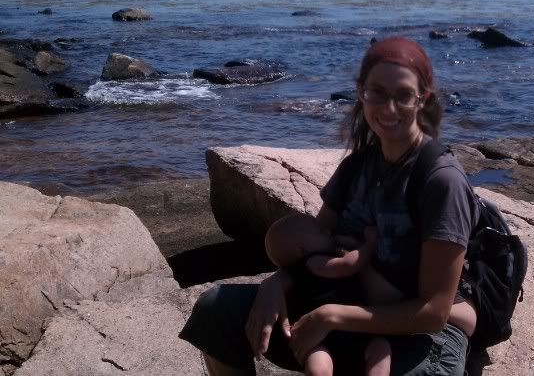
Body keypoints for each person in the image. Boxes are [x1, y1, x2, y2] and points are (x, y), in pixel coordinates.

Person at [180, 36, 480, 375]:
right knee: (214, 312)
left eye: (403, 95)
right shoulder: (356, 169)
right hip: (352, 304)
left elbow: (435, 311)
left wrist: (331, 316)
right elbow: (315, 243)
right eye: (377, 92)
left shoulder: (441, 181)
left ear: (423, 99)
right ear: (361, 92)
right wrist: (276, 284)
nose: (389, 107)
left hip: (422, 331)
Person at [264, 213, 394, 376]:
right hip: (327, 333)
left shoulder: (310, 263)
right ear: (302, 250)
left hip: (334, 335)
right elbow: (347, 265)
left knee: (380, 349)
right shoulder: (312, 262)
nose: (327, 231)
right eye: (320, 232)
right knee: (379, 349)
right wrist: (369, 244)